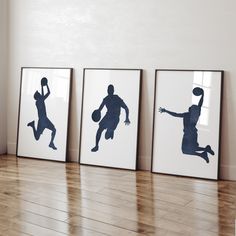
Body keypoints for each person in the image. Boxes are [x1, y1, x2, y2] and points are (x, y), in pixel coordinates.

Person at [159, 87, 214, 163]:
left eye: (191, 106)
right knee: (192, 148)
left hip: (189, 134)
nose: (191, 106)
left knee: (186, 150)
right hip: (192, 133)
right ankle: (205, 151)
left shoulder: (187, 114)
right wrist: (203, 94)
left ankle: (204, 152)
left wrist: (165, 111)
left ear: (191, 109)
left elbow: (175, 114)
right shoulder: (196, 114)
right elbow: (200, 104)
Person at [91, 84, 130, 152]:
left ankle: (111, 131)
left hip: (115, 118)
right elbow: (100, 109)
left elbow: (126, 108)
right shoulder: (106, 99)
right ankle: (96, 146)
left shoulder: (117, 98)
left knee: (106, 137)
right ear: (107, 91)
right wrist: (97, 113)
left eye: (111, 90)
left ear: (113, 91)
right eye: (108, 90)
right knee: (99, 129)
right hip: (107, 116)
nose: (109, 91)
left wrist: (127, 118)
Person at [27, 77, 57, 150]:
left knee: (53, 130)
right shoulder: (38, 102)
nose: (40, 94)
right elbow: (44, 95)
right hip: (42, 120)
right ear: (37, 97)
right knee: (38, 137)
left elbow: (49, 93)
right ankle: (33, 125)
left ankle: (51, 143)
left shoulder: (41, 100)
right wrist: (42, 86)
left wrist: (46, 85)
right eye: (39, 94)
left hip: (43, 120)